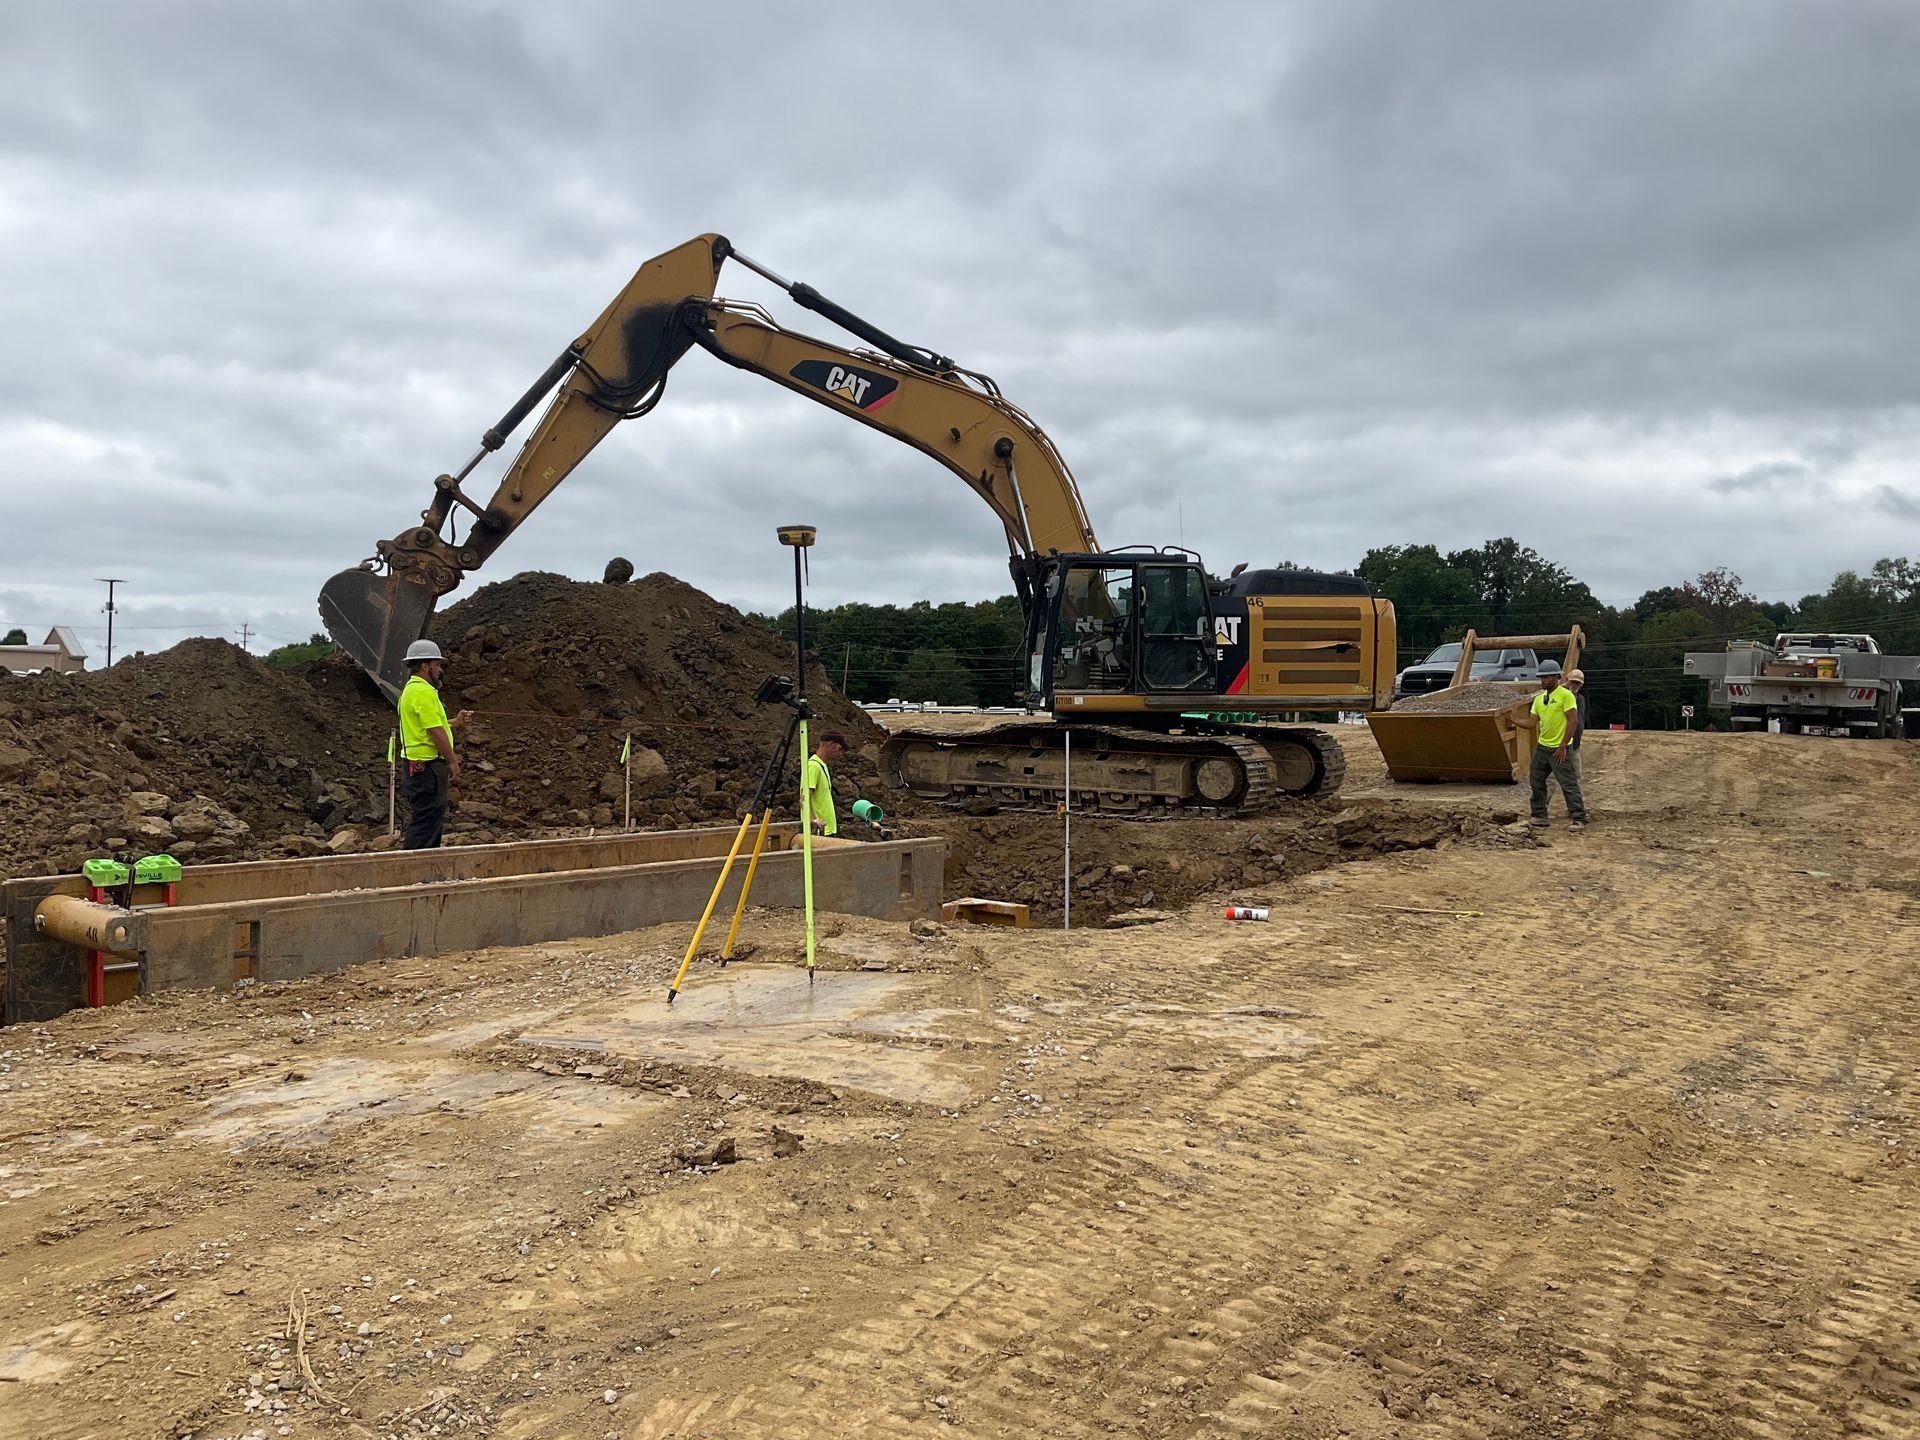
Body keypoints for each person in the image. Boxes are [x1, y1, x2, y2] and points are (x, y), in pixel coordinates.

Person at [397, 639, 472, 849]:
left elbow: (429, 725)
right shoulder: (422, 692)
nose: (440, 670)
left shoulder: (412, 690)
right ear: (424, 665)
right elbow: (434, 730)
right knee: (426, 821)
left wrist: (455, 723)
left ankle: (421, 870)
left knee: (428, 818)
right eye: (437, 664)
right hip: (427, 767)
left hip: (420, 766)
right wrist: (453, 761)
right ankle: (414, 871)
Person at [1515, 659, 1586, 830]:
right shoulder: (1540, 699)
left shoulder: (1566, 696)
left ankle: (1579, 817)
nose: (1543, 681)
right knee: (1536, 780)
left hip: (1559, 748)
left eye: (1546, 677)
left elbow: (1573, 722)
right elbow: (1532, 723)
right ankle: (1539, 815)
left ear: (1556, 677)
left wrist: (1563, 746)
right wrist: (1513, 720)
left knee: (1568, 783)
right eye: (1541, 678)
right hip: (1542, 747)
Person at [802, 731, 846, 836]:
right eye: (839, 749)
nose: (840, 754)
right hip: (818, 830)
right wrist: (813, 821)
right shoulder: (813, 766)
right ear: (831, 744)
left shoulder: (822, 765)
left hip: (826, 829)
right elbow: (803, 798)